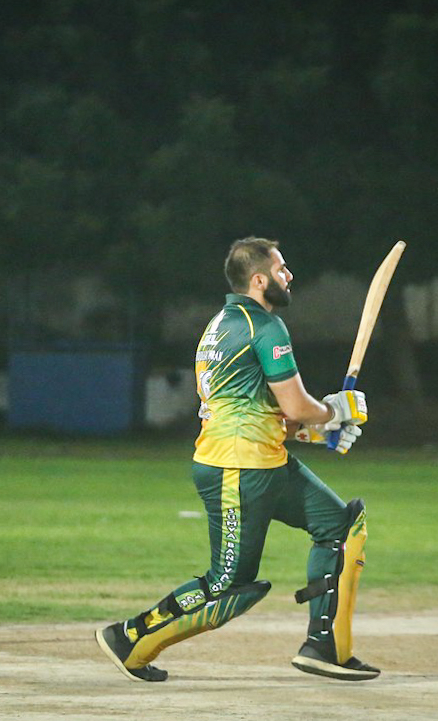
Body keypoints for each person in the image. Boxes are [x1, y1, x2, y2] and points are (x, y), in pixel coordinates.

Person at [95, 236, 379, 682]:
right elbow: (295, 405)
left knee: (340, 527)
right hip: (237, 468)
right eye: (281, 269)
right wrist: (333, 412)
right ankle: (131, 638)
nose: (289, 275)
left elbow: (256, 407)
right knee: (228, 587)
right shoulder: (265, 327)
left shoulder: (220, 325)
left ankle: (326, 648)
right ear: (259, 280)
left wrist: (316, 430)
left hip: (262, 461)